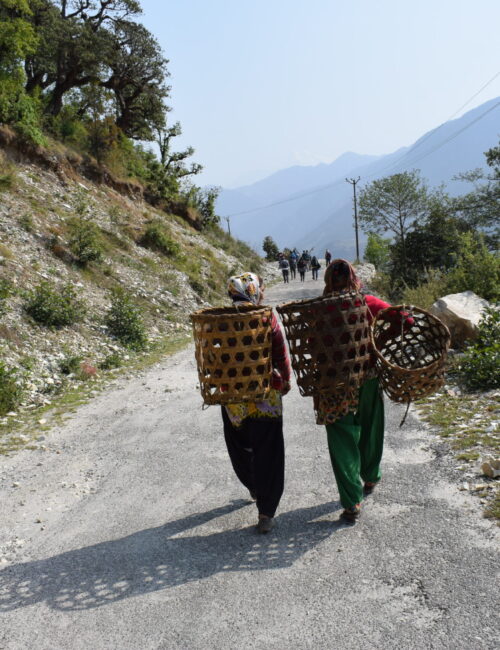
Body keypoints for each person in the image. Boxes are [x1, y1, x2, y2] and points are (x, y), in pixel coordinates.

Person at [315, 259, 412, 524]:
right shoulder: (367, 302)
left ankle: (351, 502)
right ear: (353, 278)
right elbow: (406, 318)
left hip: (333, 386)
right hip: (366, 378)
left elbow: (311, 347)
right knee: (370, 427)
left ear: (328, 281)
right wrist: (378, 342)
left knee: (342, 440)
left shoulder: (318, 310)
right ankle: (370, 477)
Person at [223, 272, 292, 533]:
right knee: (269, 452)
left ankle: (252, 484)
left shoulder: (218, 320)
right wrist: (284, 380)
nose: (262, 292)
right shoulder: (266, 317)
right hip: (265, 398)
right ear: (252, 291)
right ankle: (266, 512)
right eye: (259, 288)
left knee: (240, 444)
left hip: (233, 398)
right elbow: (280, 353)